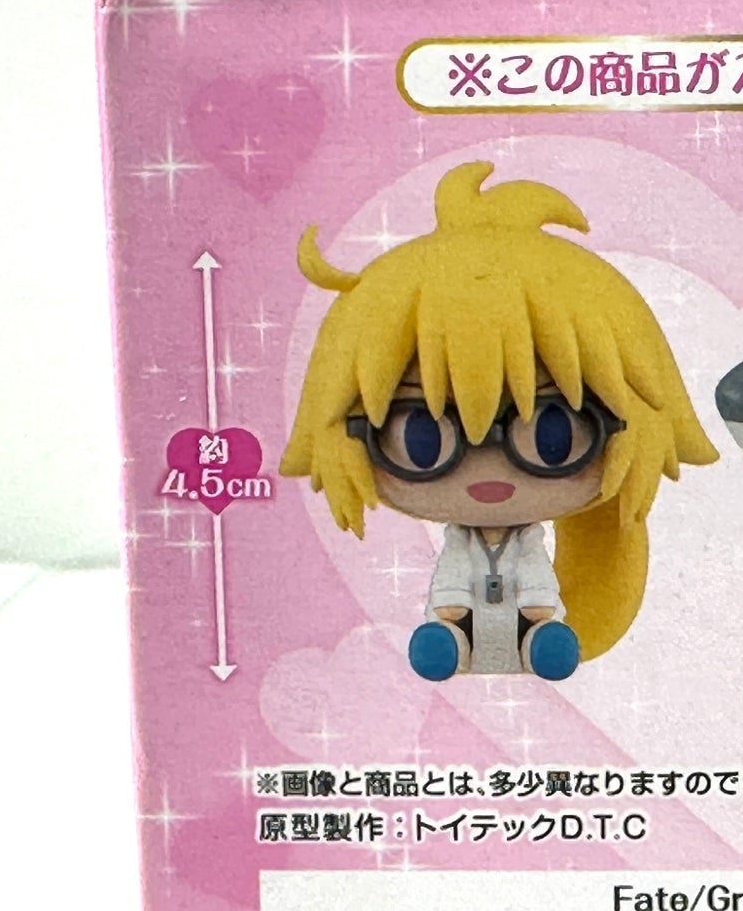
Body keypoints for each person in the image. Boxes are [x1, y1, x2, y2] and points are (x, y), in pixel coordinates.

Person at [281, 161, 717, 679]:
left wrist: (539, 608)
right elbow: (452, 573)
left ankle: (539, 642)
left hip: (530, 611)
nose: (487, 466)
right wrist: (449, 609)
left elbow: (534, 572)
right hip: (465, 612)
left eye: (553, 434)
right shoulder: (461, 544)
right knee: (449, 626)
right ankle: (452, 642)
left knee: (539, 627)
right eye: (423, 439)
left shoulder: (528, 542)